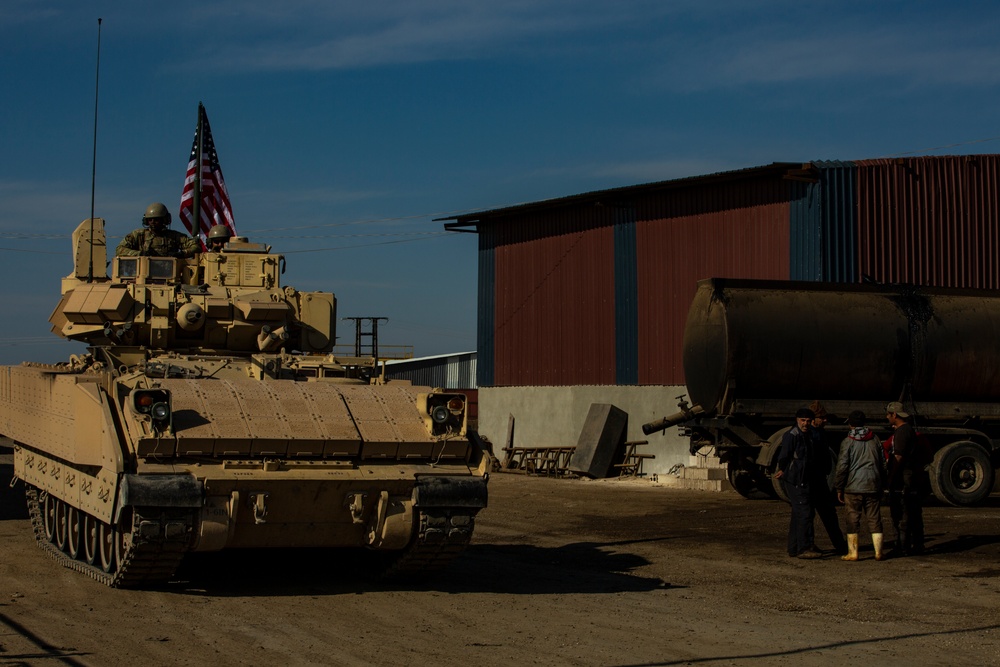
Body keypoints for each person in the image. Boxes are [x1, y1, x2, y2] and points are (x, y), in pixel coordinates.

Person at [835, 410, 886, 561]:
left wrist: (839, 486)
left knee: (852, 519)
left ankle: (853, 553)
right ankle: (879, 552)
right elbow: (882, 462)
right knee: (874, 518)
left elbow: (842, 466)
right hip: (873, 485)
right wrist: (882, 482)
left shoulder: (848, 441)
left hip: (853, 486)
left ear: (850, 424)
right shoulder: (875, 439)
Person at [774, 408, 824, 559]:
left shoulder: (808, 435)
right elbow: (785, 455)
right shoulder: (792, 435)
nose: (806, 424)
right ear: (797, 420)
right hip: (796, 480)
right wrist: (782, 469)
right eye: (803, 420)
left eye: (808, 421)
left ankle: (795, 547)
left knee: (799, 514)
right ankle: (804, 548)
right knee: (804, 513)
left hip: (804, 479)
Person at [886, 401, 930, 556]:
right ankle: (917, 545)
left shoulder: (902, 432)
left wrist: (890, 476)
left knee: (902, 513)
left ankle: (902, 547)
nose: (887, 417)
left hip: (904, 479)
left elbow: (898, 456)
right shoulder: (908, 430)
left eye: (888, 414)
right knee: (913, 512)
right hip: (912, 477)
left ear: (895, 415)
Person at [807, 401, 848, 556]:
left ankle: (839, 545)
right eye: (822, 417)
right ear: (813, 418)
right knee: (811, 514)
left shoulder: (819, 433)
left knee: (828, 514)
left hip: (820, 479)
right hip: (813, 480)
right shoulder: (810, 434)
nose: (825, 420)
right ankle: (810, 545)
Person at [116, 202, 200, 258]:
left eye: (156, 220)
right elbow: (120, 249)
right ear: (146, 221)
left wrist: (181, 254)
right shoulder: (138, 235)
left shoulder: (174, 236)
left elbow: (196, 247)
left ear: (164, 220)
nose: (153, 222)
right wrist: (141, 254)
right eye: (150, 220)